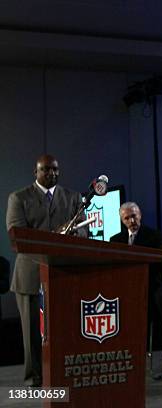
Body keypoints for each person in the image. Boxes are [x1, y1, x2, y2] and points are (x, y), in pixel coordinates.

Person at [5, 154, 83, 387]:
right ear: (35, 172)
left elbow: (83, 233)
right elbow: (17, 237)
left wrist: (73, 235)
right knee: (32, 334)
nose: (52, 173)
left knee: (64, 329)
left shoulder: (73, 197)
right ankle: (35, 377)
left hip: (62, 273)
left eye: (56, 170)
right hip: (29, 275)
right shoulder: (18, 198)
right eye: (46, 170)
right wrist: (56, 236)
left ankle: (62, 373)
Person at [110, 202, 162, 345]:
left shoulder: (154, 236)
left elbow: (160, 265)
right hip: (124, 288)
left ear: (140, 215)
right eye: (127, 218)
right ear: (122, 220)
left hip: (149, 285)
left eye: (134, 216)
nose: (131, 221)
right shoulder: (115, 240)